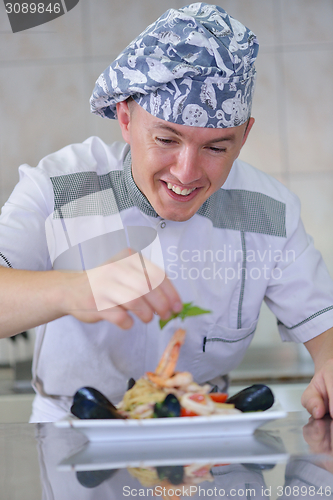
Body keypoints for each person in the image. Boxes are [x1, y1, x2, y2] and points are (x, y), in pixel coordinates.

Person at [0, 3, 332, 422]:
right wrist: (73, 289)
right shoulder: (59, 186)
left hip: (204, 443)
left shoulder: (267, 210)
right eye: (166, 140)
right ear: (125, 117)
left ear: (244, 137)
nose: (186, 173)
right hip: (75, 445)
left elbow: (324, 326)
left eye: (216, 147)